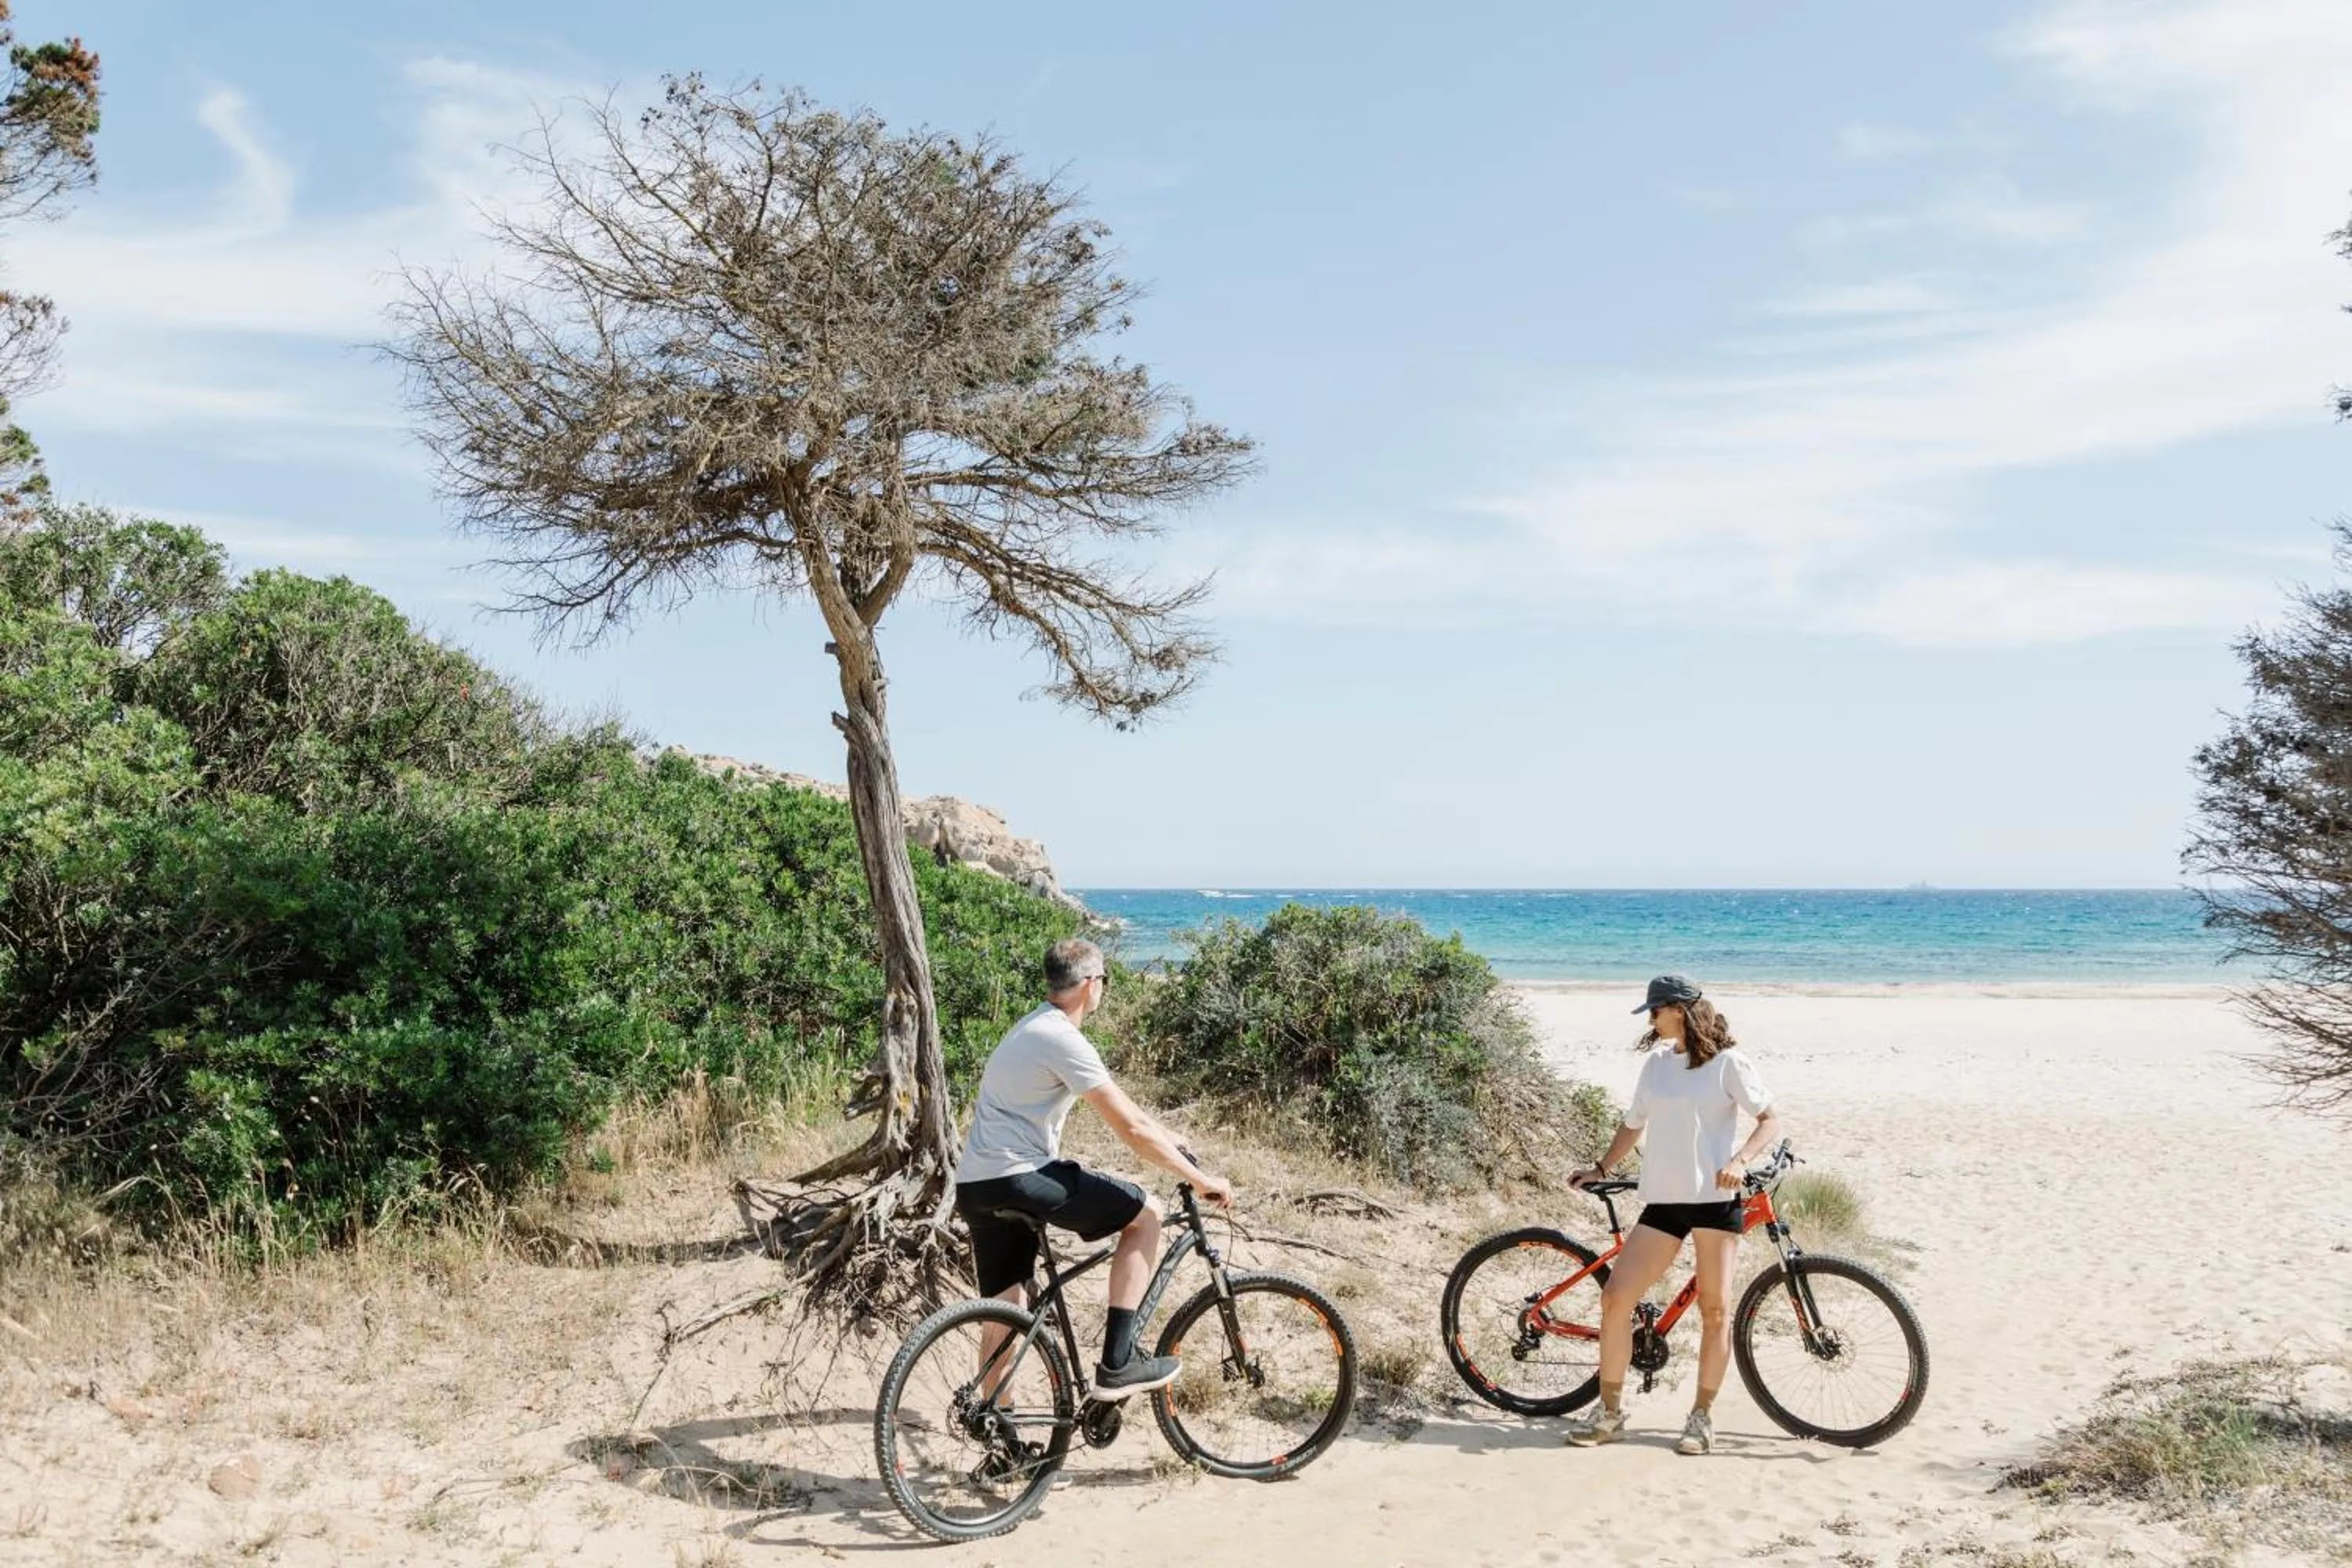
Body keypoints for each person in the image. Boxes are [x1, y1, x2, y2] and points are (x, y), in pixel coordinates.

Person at [956, 936, 1235, 1399]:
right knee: (1145, 1215)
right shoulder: (1064, 1038)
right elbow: (1129, 1128)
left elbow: (1135, 1117)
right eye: (1104, 979)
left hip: (977, 1184)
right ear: (1090, 985)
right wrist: (1201, 1180)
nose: (1104, 988)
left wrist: (1167, 1136)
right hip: (1020, 1176)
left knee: (1006, 1311)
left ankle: (998, 1434)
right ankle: (1117, 1366)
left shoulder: (1029, 1028)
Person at [1563, 974, 1783, 1455]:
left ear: (1678, 1010)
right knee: (1617, 1299)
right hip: (1665, 1200)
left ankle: (1701, 1418)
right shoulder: (1657, 1064)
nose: (1652, 1020)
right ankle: (1610, 1411)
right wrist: (1602, 1167)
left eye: (1656, 1011)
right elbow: (1632, 1124)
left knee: (1715, 1310)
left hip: (1714, 1202)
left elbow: (1771, 1120)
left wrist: (1740, 1161)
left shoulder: (1728, 1063)